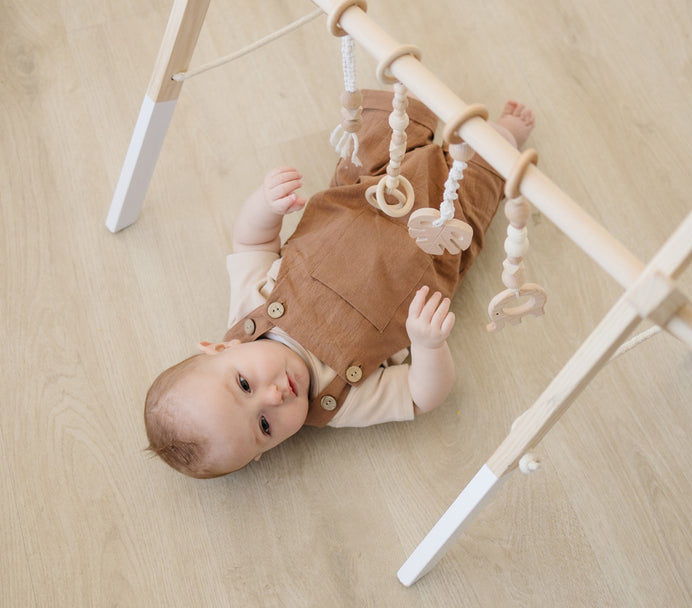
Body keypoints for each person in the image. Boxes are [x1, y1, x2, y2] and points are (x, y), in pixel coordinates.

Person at [144, 90, 535, 478]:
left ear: (220, 348)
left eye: (244, 384)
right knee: (487, 162)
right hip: (442, 236)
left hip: (364, 189)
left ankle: (418, 103)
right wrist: (427, 344)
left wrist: (265, 205)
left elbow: (252, 242)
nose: (274, 396)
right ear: (266, 450)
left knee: (384, 120)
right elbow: (422, 396)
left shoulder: (248, 307)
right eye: (264, 426)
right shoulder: (344, 402)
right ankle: (502, 134)